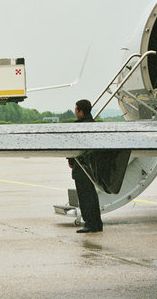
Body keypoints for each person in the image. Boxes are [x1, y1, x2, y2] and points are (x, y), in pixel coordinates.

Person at [67, 99, 103, 233]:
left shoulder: (78, 126)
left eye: (76, 109)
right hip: (93, 165)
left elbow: (73, 146)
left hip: (81, 166)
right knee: (92, 195)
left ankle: (90, 223)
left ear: (80, 111)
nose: (75, 112)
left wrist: (70, 160)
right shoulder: (94, 125)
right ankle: (97, 223)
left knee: (84, 195)